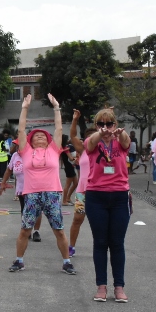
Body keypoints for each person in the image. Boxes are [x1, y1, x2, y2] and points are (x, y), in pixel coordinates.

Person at [8, 94, 75, 275]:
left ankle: (67, 262)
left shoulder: (54, 150)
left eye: (43, 136)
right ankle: (19, 261)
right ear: (30, 141)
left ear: (48, 140)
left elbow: (59, 128)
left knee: (59, 230)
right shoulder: (26, 151)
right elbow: (21, 130)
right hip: (31, 195)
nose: (40, 137)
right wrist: (24, 108)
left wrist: (56, 107)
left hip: (52, 194)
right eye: (36, 136)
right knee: (25, 230)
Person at [84, 108, 131, 302]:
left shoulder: (120, 141)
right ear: (96, 125)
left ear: (115, 124)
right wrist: (100, 133)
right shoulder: (92, 141)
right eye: (101, 124)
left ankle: (119, 287)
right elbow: (90, 143)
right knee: (100, 242)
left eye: (109, 124)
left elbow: (126, 142)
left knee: (117, 243)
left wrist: (119, 133)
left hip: (119, 195)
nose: (105, 127)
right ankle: (101, 286)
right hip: (96, 196)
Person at [67, 110, 95, 258]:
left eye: (94, 136)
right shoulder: (82, 150)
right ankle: (71, 247)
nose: (91, 139)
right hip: (83, 192)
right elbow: (73, 136)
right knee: (77, 219)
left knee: (99, 222)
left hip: (98, 190)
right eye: (88, 137)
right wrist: (75, 120)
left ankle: (102, 246)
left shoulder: (105, 152)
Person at [60, 134, 77, 206]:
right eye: (67, 139)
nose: (67, 140)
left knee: (76, 183)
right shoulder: (66, 149)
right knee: (68, 184)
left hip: (69, 167)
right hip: (69, 166)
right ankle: (64, 200)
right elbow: (71, 158)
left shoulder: (62, 148)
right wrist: (76, 158)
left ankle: (68, 198)